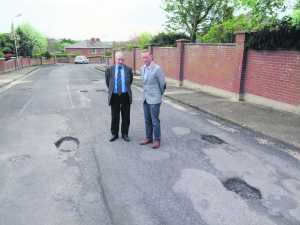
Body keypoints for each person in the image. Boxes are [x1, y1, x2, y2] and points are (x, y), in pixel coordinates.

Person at [139, 51, 166, 149]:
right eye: (143, 58)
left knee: (155, 120)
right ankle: (148, 138)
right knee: (147, 120)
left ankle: (157, 139)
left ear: (151, 56)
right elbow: (144, 84)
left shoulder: (157, 69)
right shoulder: (142, 68)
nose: (144, 59)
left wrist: (159, 94)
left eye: (146, 57)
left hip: (155, 99)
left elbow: (162, 84)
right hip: (145, 98)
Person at [105, 51, 133, 142]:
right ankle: (114, 134)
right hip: (115, 96)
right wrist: (114, 91)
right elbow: (108, 83)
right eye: (118, 59)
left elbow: (130, 82)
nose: (120, 61)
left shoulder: (128, 69)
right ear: (115, 59)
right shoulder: (109, 69)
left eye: (122, 59)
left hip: (125, 96)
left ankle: (125, 134)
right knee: (114, 116)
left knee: (126, 116)